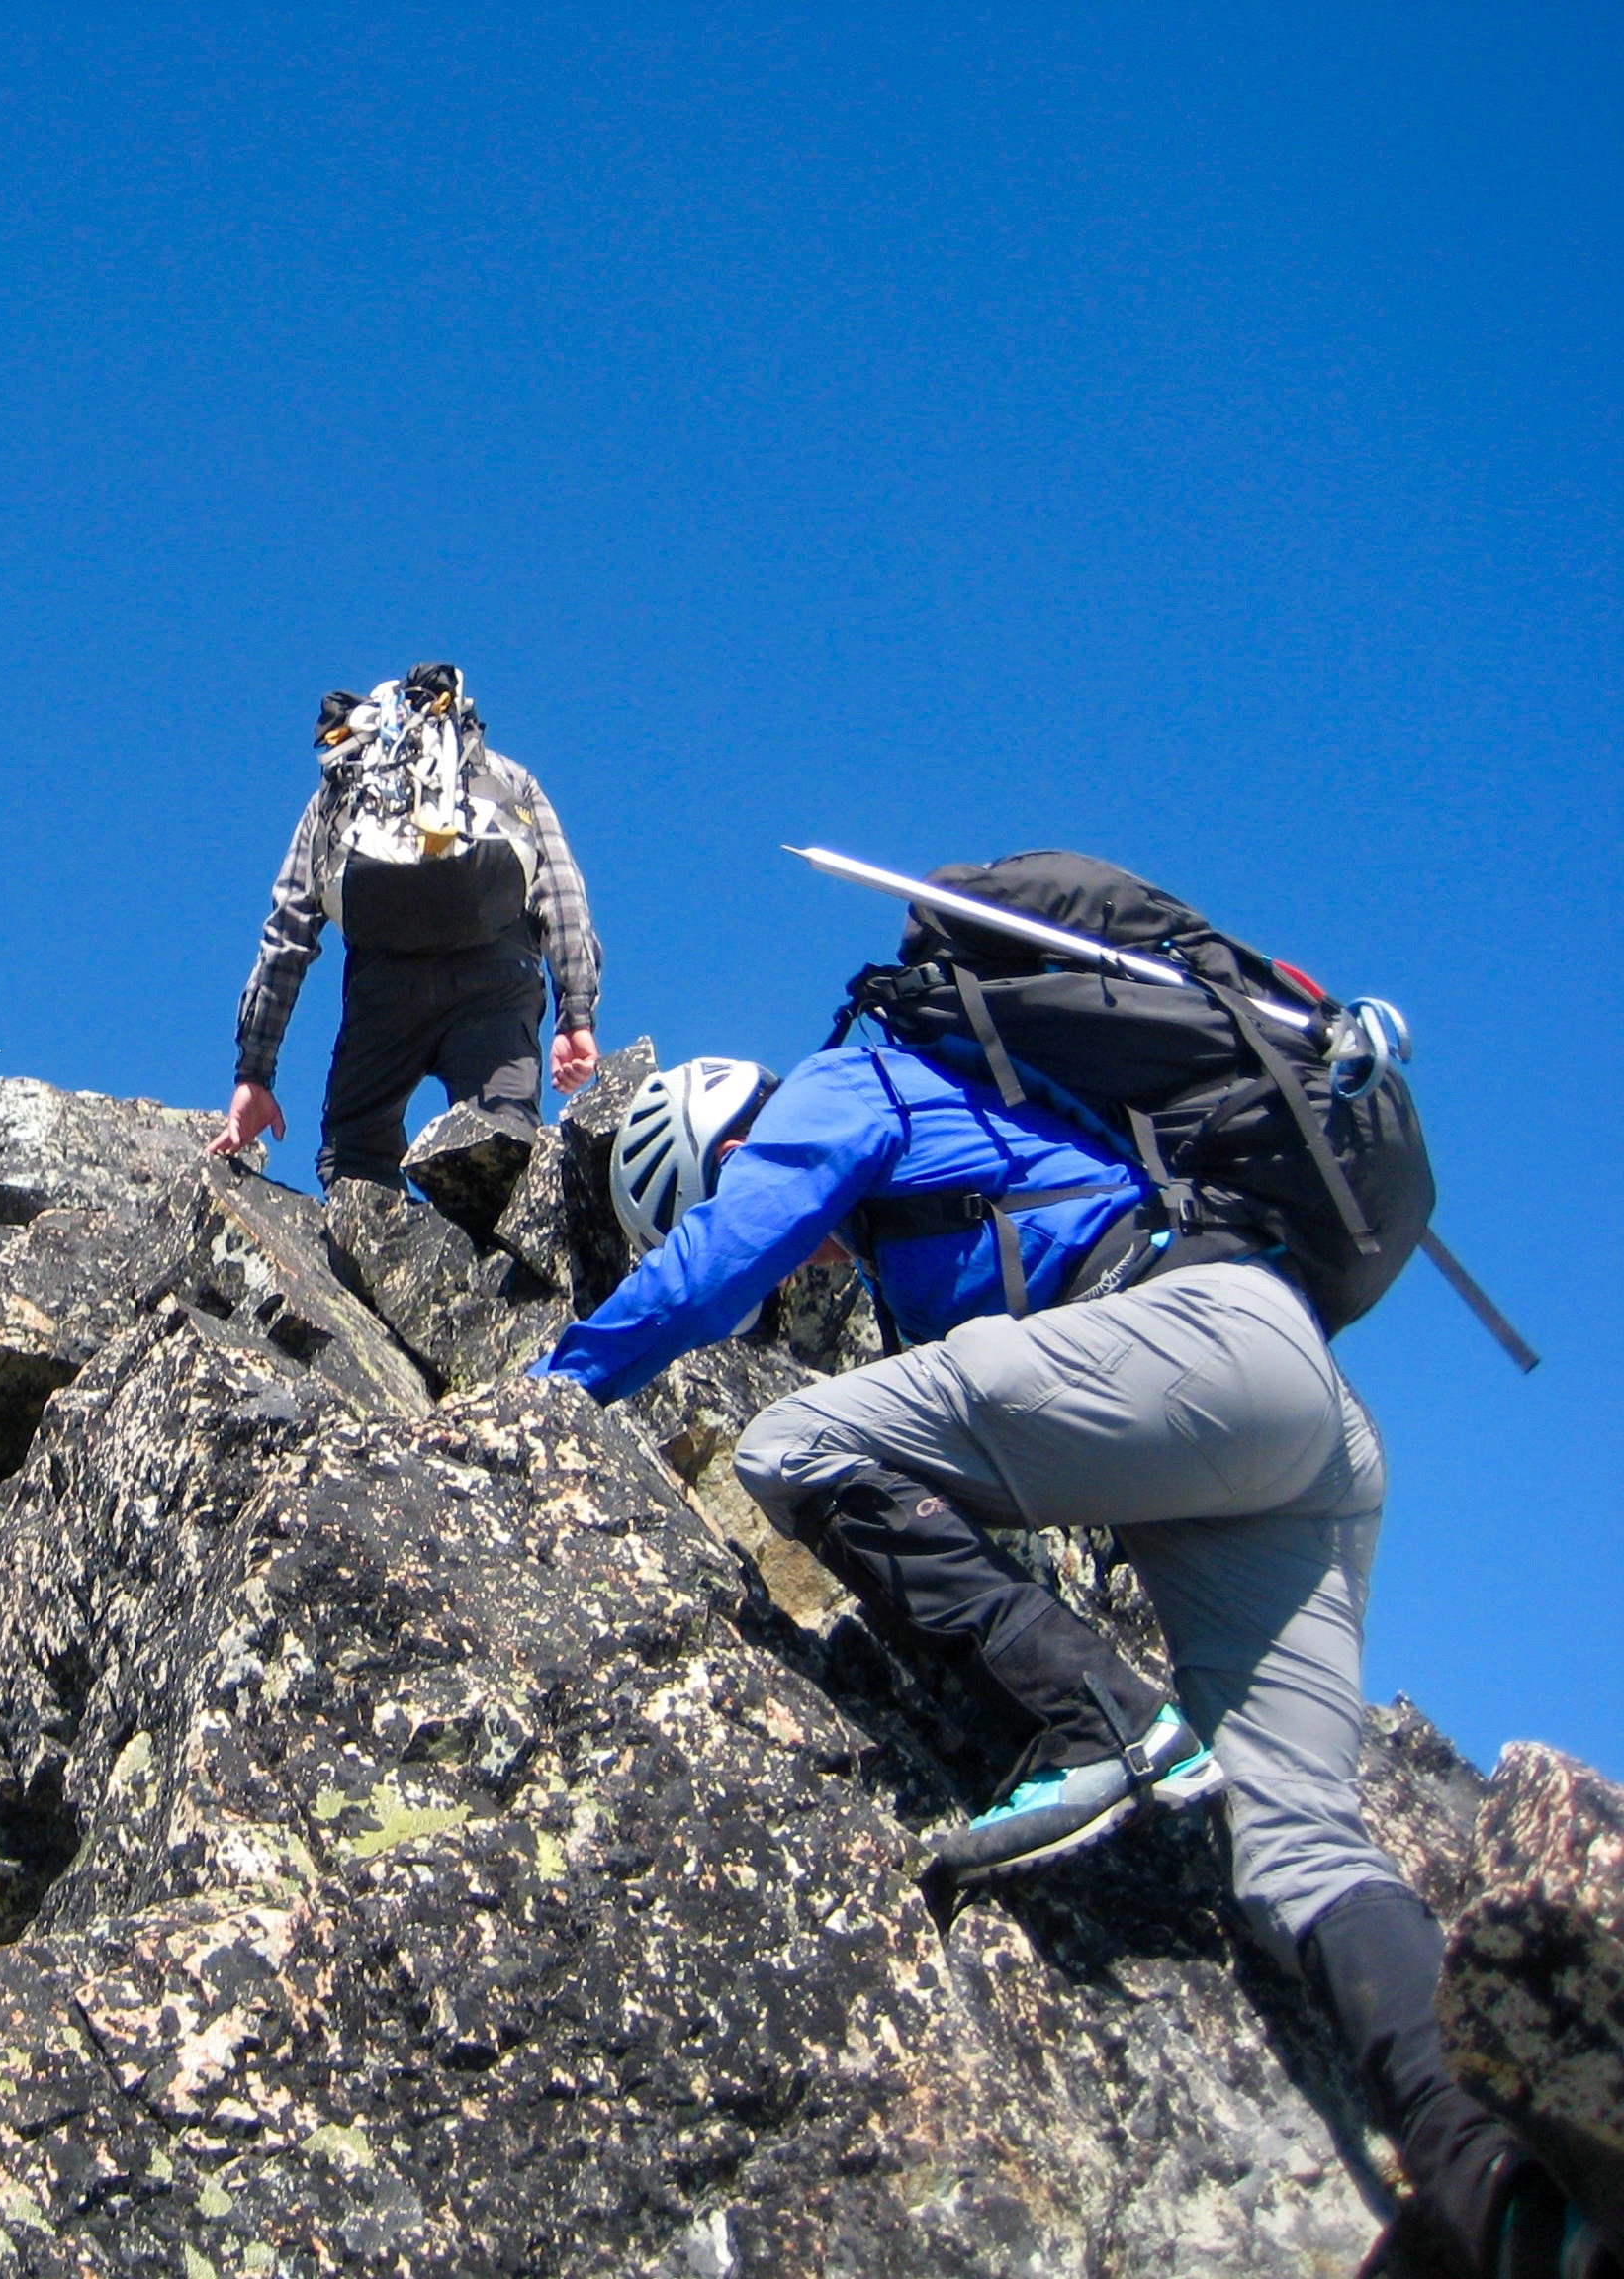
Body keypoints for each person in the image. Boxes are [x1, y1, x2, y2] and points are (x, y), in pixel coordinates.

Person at [533, 1048, 1612, 2279]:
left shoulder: (837, 1091)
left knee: (789, 1444)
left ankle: (1097, 1715)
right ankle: (1518, 2201)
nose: (800, 1269)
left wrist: (543, 1395)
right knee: (1295, 1846)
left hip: (1191, 1346)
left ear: (718, 1155)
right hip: (1290, 1405)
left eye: (713, 1201)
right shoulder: (947, 1157)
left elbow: (709, 1270)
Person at [208, 663, 602, 1189]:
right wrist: (575, 1015)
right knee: (507, 1149)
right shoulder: (505, 778)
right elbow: (562, 894)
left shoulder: (336, 799)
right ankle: (498, 1261)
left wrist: (254, 1073)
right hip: (498, 982)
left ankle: (373, 1250)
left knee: (355, 1156)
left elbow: (287, 937)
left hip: (386, 995)